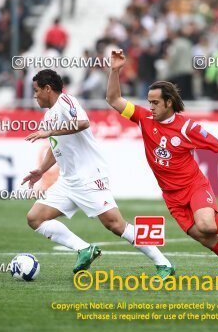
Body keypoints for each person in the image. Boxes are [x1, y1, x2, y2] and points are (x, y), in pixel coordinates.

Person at [106, 50, 218, 280]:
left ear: (169, 102)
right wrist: (115, 71)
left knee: (207, 225)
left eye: (155, 103)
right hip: (172, 197)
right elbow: (113, 100)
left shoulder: (187, 128)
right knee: (207, 239)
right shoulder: (144, 118)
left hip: (194, 187)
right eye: (149, 102)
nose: (150, 107)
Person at [22, 69, 175, 278]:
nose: (35, 95)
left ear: (48, 89)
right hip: (68, 182)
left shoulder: (66, 101)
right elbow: (56, 147)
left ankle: (163, 263)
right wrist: (41, 170)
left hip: (89, 176)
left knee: (115, 224)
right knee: (35, 218)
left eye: (36, 90)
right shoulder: (49, 116)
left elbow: (83, 122)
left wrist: (50, 132)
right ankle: (84, 249)